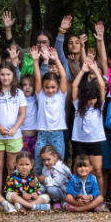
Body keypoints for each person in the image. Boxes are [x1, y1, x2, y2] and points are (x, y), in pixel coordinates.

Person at [0, 63, 28, 190]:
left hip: (14, 135)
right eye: (2, 74)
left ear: (13, 75)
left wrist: (14, 129)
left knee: (11, 166)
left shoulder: (19, 93)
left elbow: (22, 114)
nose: (5, 77)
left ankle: (10, 192)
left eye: (8, 74)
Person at [70, 58, 107, 195]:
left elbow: (102, 86)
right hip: (81, 142)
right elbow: (74, 86)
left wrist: (96, 71)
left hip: (95, 141)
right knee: (79, 170)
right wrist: (83, 71)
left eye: (94, 98)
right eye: (88, 98)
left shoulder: (99, 107)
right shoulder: (78, 105)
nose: (91, 101)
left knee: (97, 170)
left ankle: (100, 198)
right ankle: (78, 195)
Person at [31, 47, 69, 175]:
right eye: (47, 87)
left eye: (53, 87)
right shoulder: (41, 95)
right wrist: (35, 62)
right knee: (38, 159)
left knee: (58, 162)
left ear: (57, 86)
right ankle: (39, 189)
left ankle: (59, 189)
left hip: (57, 132)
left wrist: (57, 59)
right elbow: (37, 79)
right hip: (42, 132)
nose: (50, 90)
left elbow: (63, 77)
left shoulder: (60, 95)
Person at [38, 145, 71, 209]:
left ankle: (57, 201)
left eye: (48, 159)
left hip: (61, 191)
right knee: (39, 187)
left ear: (55, 156)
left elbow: (57, 183)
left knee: (51, 189)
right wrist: (41, 181)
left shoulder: (60, 168)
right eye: (44, 160)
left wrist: (45, 179)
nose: (46, 162)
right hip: (49, 186)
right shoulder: (46, 167)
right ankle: (47, 200)